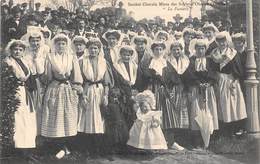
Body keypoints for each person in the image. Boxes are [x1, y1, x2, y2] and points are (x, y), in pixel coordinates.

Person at [41, 34, 83, 159]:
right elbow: (47, 76)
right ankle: (57, 146)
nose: (61, 46)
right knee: (55, 117)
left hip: (67, 88)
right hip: (54, 88)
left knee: (68, 116)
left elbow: (76, 75)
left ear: (66, 45)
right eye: (58, 44)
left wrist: (76, 87)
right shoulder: (50, 57)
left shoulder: (71, 57)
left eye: (63, 44)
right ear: (55, 45)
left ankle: (66, 146)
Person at [77, 38, 114, 155]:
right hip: (87, 90)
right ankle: (86, 147)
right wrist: (82, 95)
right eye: (91, 48)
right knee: (86, 119)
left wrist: (106, 95)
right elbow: (79, 80)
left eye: (95, 48)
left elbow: (106, 81)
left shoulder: (103, 62)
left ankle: (98, 148)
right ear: (87, 49)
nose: (93, 50)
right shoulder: (82, 61)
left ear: (99, 50)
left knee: (99, 119)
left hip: (100, 91)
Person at [4, 39, 37, 161]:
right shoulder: (8, 63)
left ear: (23, 51)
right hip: (14, 93)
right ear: (11, 50)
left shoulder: (25, 62)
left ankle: (27, 148)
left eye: (20, 50)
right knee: (18, 120)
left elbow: (30, 78)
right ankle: (18, 149)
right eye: (15, 49)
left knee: (28, 119)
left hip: (25, 93)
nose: (17, 52)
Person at [210, 31, 247, 137]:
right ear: (217, 42)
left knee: (232, 104)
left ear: (227, 42)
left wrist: (235, 80)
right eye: (219, 41)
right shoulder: (214, 53)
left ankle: (234, 129)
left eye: (224, 41)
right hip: (219, 80)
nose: (222, 43)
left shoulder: (233, 53)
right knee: (221, 104)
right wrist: (215, 79)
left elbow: (238, 69)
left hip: (231, 80)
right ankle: (223, 130)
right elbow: (212, 69)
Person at [184, 39, 218, 149]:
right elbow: (189, 74)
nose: (200, 50)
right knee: (196, 113)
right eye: (198, 48)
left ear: (205, 49)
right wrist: (198, 83)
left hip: (208, 89)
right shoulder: (191, 60)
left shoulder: (210, 61)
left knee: (209, 112)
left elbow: (213, 73)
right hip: (196, 89)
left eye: (203, 48)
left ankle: (209, 139)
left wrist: (209, 83)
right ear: (195, 49)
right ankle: (197, 140)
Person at [21, 27, 49, 135]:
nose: (35, 43)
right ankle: (31, 133)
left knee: (41, 106)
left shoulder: (45, 50)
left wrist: (37, 58)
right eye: (33, 40)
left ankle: (42, 133)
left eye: (37, 40)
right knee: (31, 107)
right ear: (29, 41)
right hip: (30, 81)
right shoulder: (26, 51)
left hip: (42, 80)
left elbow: (45, 68)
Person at [163, 41, 189, 150]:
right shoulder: (167, 61)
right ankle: (171, 140)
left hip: (183, 89)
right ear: (171, 51)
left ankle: (181, 139)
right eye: (174, 49)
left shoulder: (186, 60)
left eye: (178, 49)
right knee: (173, 113)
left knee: (182, 113)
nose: (176, 51)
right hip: (172, 89)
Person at [112, 45, 138, 129]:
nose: (126, 57)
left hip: (132, 91)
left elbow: (138, 79)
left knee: (133, 113)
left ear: (131, 56)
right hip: (122, 91)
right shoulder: (116, 66)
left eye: (128, 55)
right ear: (120, 55)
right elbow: (116, 79)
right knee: (123, 113)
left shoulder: (134, 65)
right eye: (124, 55)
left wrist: (135, 89)